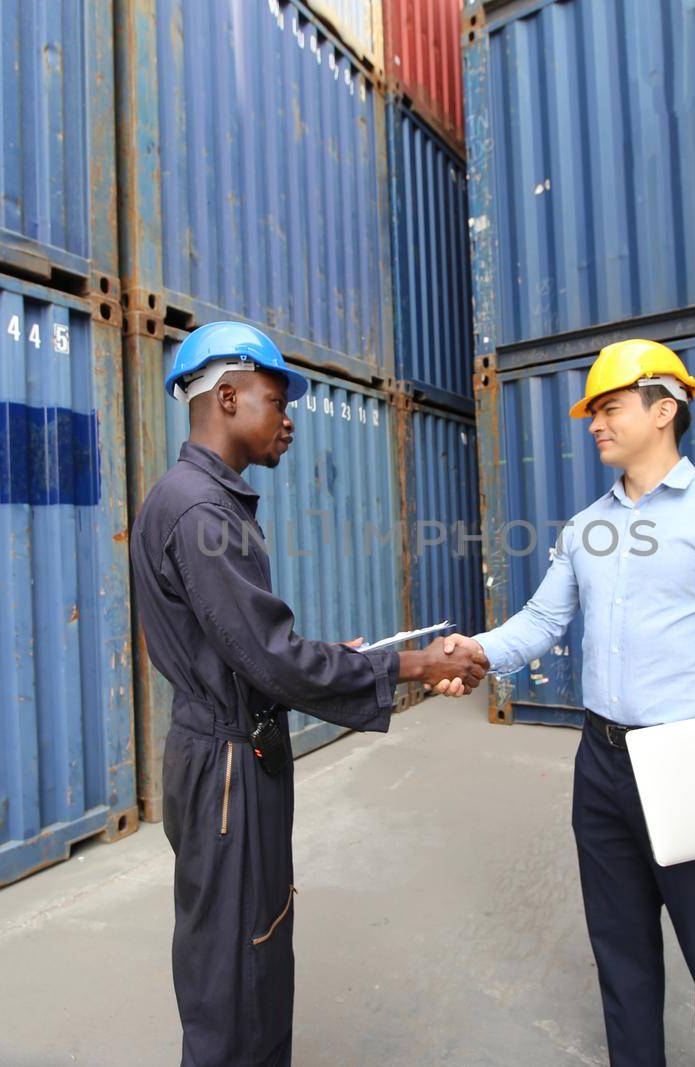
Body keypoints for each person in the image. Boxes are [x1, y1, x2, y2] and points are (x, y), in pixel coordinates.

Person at [129, 321, 488, 1066]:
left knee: (253, 951)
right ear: (226, 398)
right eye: (274, 399)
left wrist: (330, 658)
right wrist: (413, 667)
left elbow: (248, 649)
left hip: (228, 748)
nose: (288, 418)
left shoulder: (203, 500)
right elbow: (270, 659)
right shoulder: (200, 511)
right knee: (234, 980)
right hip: (228, 766)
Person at [445, 338, 695, 1067]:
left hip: (691, 768)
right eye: (592, 412)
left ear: (664, 409)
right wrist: (475, 650)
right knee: (621, 957)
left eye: (608, 408)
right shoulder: (588, 527)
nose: (594, 424)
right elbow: (542, 622)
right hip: (601, 762)